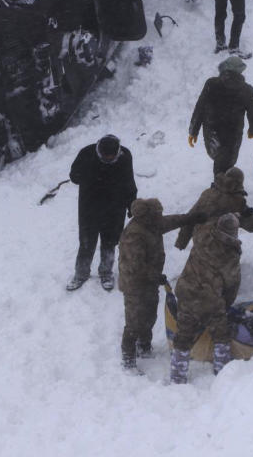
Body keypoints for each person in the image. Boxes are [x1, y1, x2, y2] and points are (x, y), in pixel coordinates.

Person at [170, 169, 253, 383]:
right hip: (212, 299)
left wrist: (182, 241)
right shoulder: (229, 253)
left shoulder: (203, 230)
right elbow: (232, 284)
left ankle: (177, 376)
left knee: (183, 335)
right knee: (220, 334)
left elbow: (191, 217)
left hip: (186, 289)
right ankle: (222, 374)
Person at [118, 198, 205, 371]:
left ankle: (144, 345)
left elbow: (172, 221)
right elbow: (136, 265)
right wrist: (155, 276)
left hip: (150, 281)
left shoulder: (153, 224)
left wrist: (192, 217)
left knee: (150, 314)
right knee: (135, 320)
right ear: (148, 216)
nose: (161, 218)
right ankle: (128, 357)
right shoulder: (134, 234)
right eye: (157, 215)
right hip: (134, 283)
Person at [66, 135, 138, 291]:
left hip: (114, 208)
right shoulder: (86, 153)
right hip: (89, 207)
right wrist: (89, 174)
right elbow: (74, 176)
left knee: (110, 242)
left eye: (111, 158)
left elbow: (129, 182)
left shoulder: (125, 156)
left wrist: (132, 205)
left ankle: (106, 273)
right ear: (99, 151)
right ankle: (81, 274)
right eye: (105, 157)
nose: (108, 159)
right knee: (86, 242)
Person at [188, 55, 253, 177]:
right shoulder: (247, 90)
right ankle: (224, 185)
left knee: (219, 159)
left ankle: (222, 185)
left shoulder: (211, 84)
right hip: (233, 133)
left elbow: (200, 107)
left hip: (212, 131)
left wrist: (193, 130)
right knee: (227, 160)